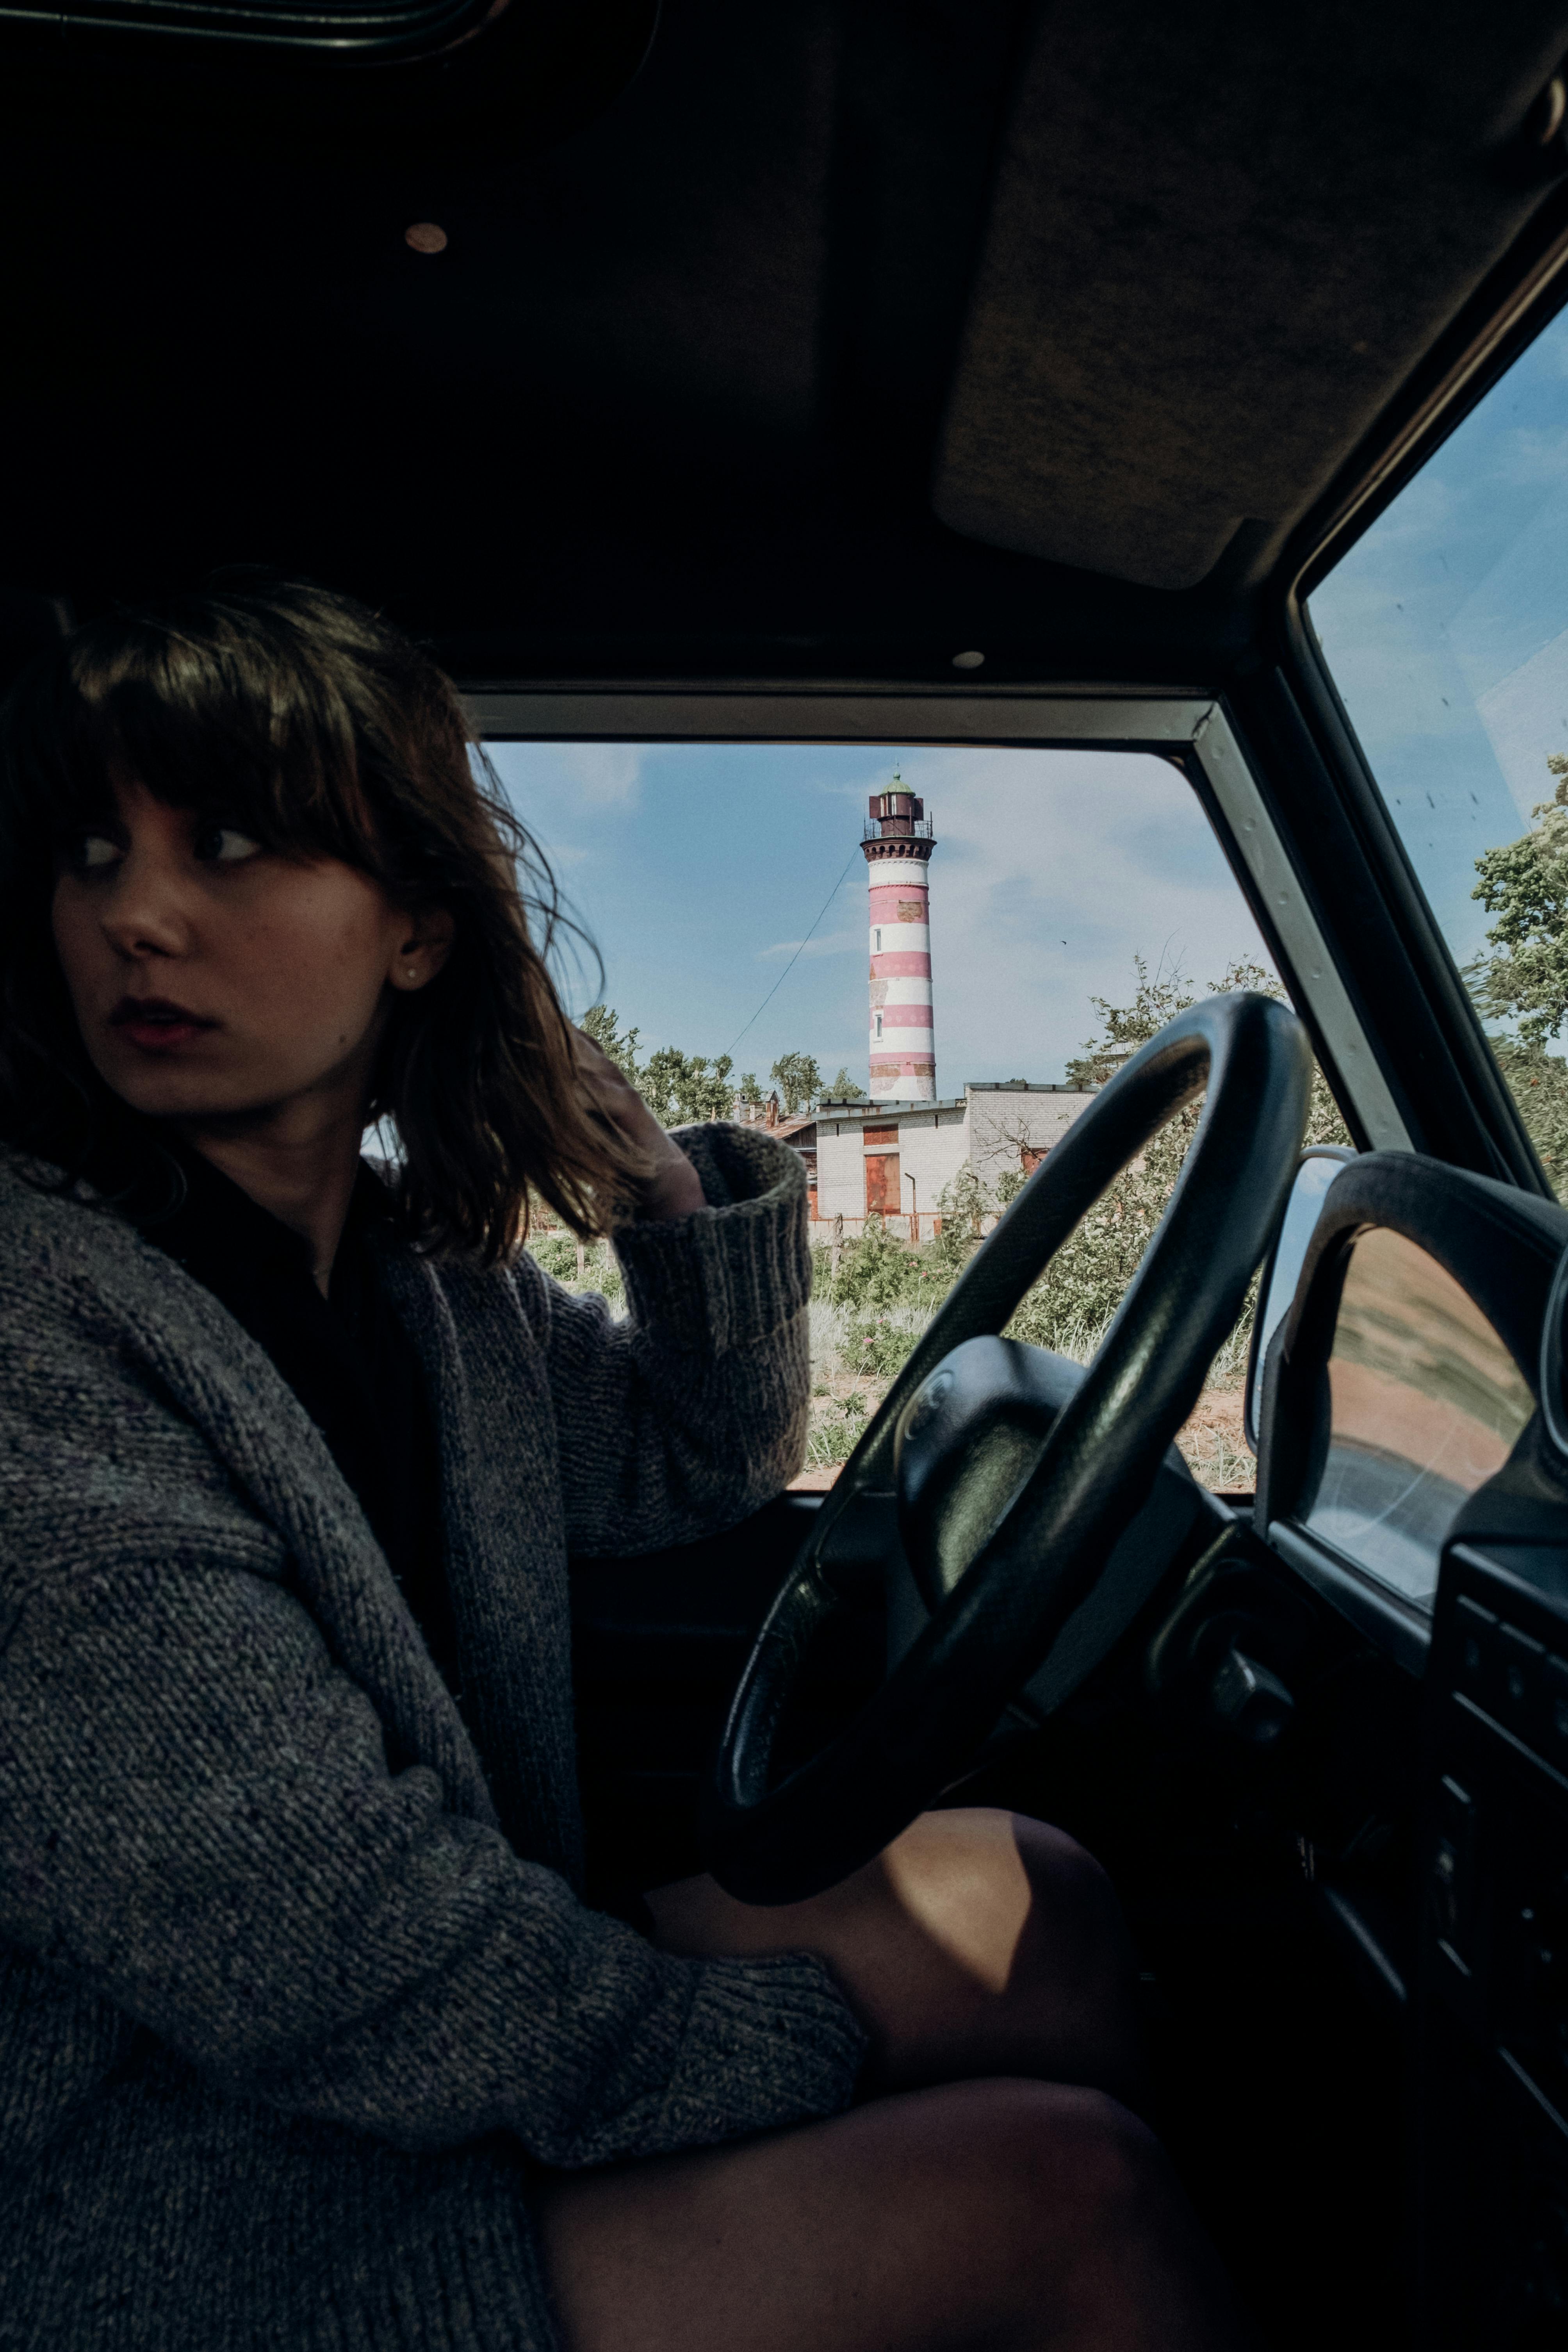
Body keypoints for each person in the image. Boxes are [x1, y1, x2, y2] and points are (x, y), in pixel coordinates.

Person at [0, 579, 1250, 2352]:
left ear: (418, 929)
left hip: (385, 2028)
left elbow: (703, 1461)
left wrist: (667, 1197)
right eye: (87, 855)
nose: (136, 919)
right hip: (174, 2194)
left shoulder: (426, 1278)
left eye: (224, 845)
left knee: (1033, 1904)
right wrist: (805, 2061)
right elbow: (336, 1961)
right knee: (1067, 2195)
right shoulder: (42, 1334)